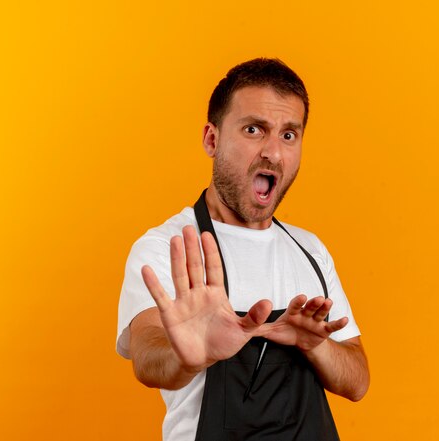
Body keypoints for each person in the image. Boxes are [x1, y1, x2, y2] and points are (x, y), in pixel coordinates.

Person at [116, 58, 369, 441]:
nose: (273, 152)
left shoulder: (310, 251)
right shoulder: (167, 246)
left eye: (289, 135)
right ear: (212, 139)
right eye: (254, 129)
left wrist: (314, 345)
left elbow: (358, 380)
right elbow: (149, 357)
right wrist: (190, 354)